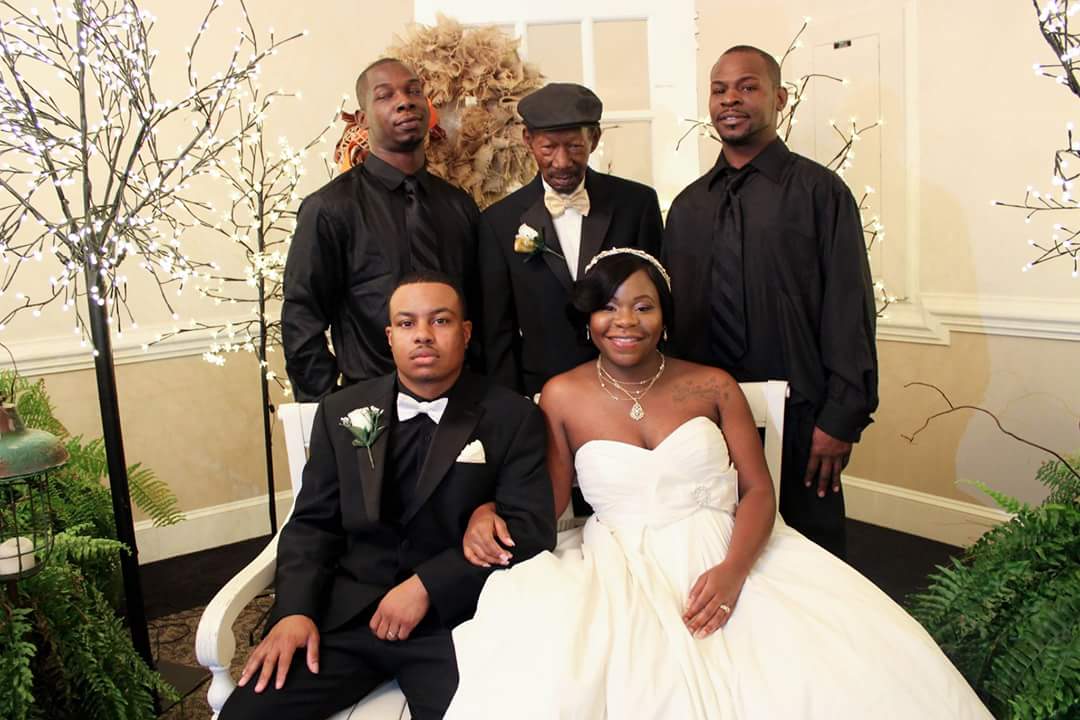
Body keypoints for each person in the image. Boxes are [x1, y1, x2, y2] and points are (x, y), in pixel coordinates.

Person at [446, 250, 990, 719]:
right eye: (608, 306)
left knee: (830, 668)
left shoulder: (712, 385)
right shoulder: (562, 395)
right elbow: (550, 499)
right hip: (622, 564)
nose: (625, 321)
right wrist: (488, 508)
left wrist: (732, 572)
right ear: (588, 318)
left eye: (643, 306)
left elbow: (758, 491)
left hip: (730, 546)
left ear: (665, 316)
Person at [221, 273, 556, 720]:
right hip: (344, 620)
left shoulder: (512, 416)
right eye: (406, 323)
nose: (423, 334)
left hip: (454, 623)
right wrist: (294, 612)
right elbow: (312, 524)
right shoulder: (342, 410)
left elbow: (531, 529)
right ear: (390, 336)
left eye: (440, 320)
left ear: (465, 332)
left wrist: (428, 585)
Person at [663, 45, 879, 558]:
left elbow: (849, 308)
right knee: (713, 547)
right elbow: (671, 322)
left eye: (747, 87)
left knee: (810, 553)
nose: (730, 100)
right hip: (704, 419)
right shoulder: (687, 207)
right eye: (719, 90)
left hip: (801, 413)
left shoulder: (821, 193)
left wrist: (841, 416)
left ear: (780, 98)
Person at [282, 58, 481, 401]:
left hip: (462, 401)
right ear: (362, 120)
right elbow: (302, 315)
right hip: (370, 402)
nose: (405, 102)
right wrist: (329, 406)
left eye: (413, 91)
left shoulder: (459, 205)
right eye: (385, 95)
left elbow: (479, 308)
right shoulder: (329, 209)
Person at [479, 82, 663, 399]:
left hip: (631, 386)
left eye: (575, 146)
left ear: (595, 138)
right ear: (527, 140)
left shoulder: (637, 205)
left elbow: (659, 303)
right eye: (548, 148)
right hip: (541, 392)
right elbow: (498, 331)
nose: (562, 161)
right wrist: (510, 405)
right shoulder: (499, 221)